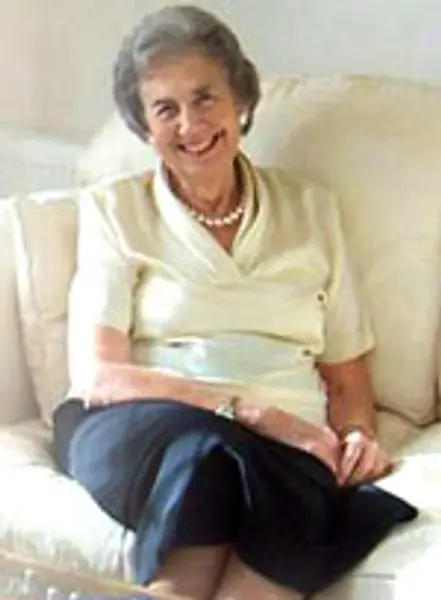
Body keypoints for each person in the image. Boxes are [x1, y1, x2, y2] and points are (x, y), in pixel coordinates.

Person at [53, 5, 417, 600]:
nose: (190, 124)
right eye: (165, 109)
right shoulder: (115, 210)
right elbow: (101, 376)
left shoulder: (312, 209)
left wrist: (356, 436)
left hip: (285, 447)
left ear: (240, 100)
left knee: (281, 481)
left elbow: (347, 377)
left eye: (205, 98)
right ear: (144, 127)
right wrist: (246, 411)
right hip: (147, 425)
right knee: (212, 460)